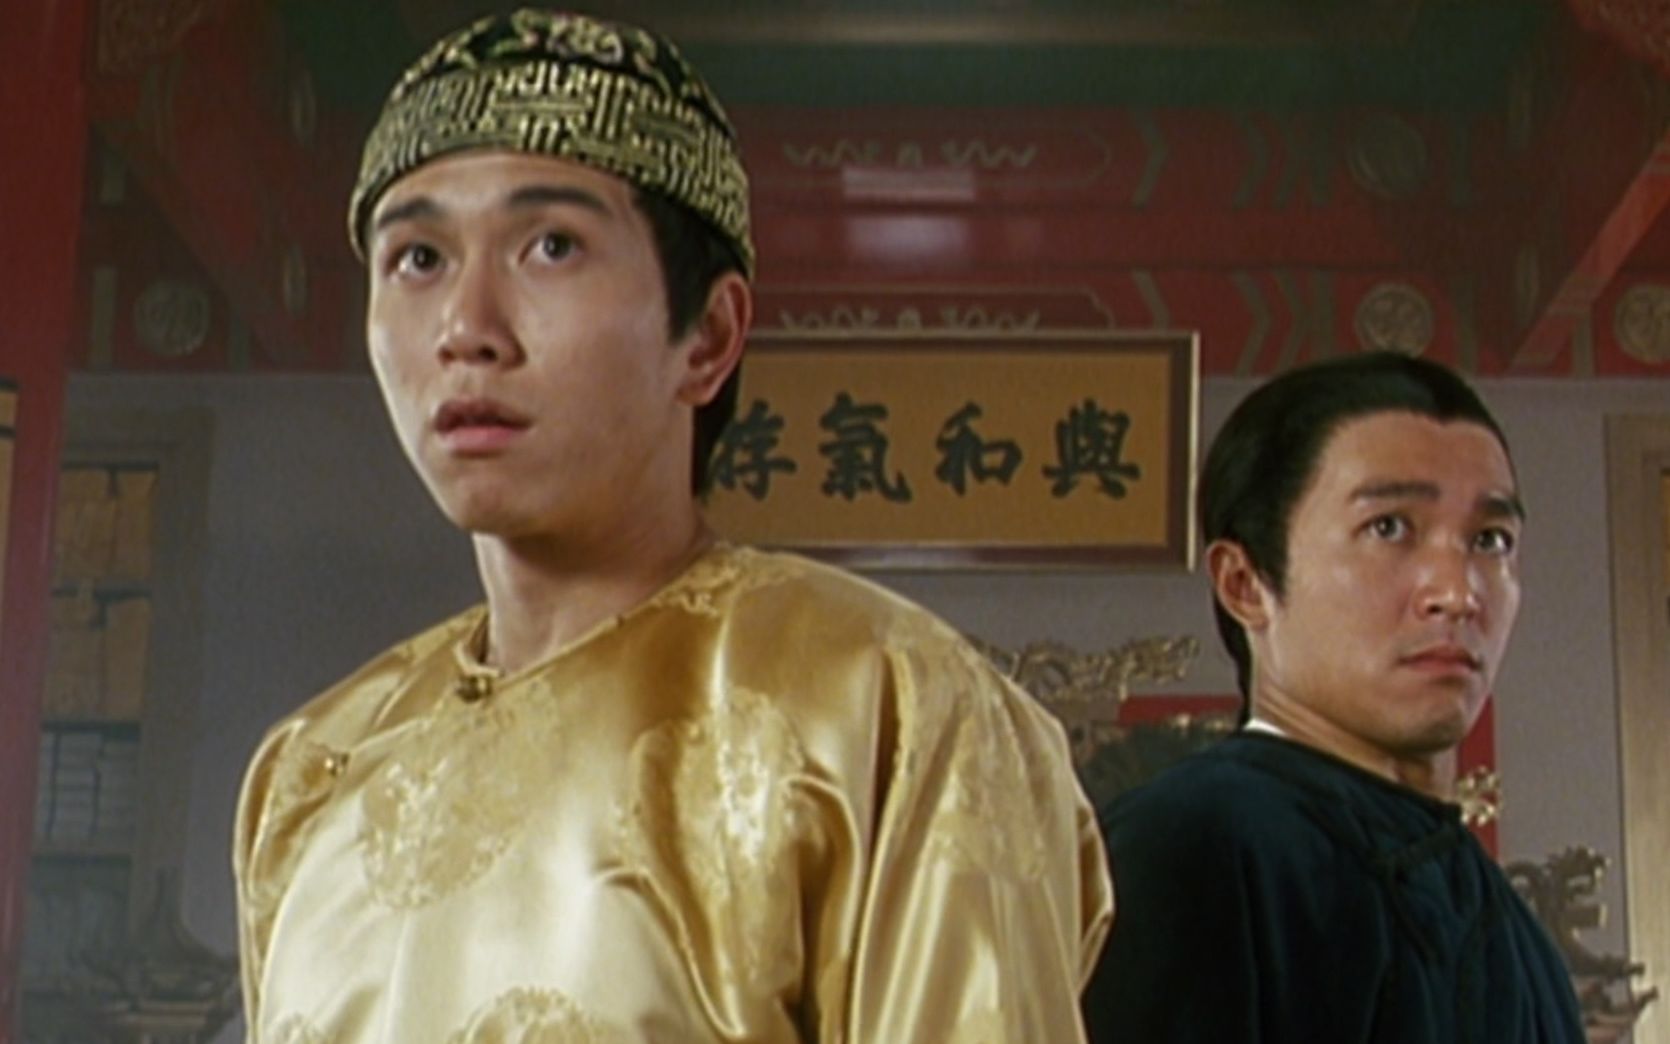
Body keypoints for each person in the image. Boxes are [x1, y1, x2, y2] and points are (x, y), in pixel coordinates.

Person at [232, 10, 1111, 1043]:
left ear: (707, 336)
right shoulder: (309, 771)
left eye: (551, 246)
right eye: (417, 259)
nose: (466, 328)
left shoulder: (887, 704)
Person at [1082, 351, 1586, 1042]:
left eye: (1490, 540)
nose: (1457, 592)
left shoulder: (1517, 935)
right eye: (1389, 528)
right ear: (1245, 585)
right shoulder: (1190, 847)